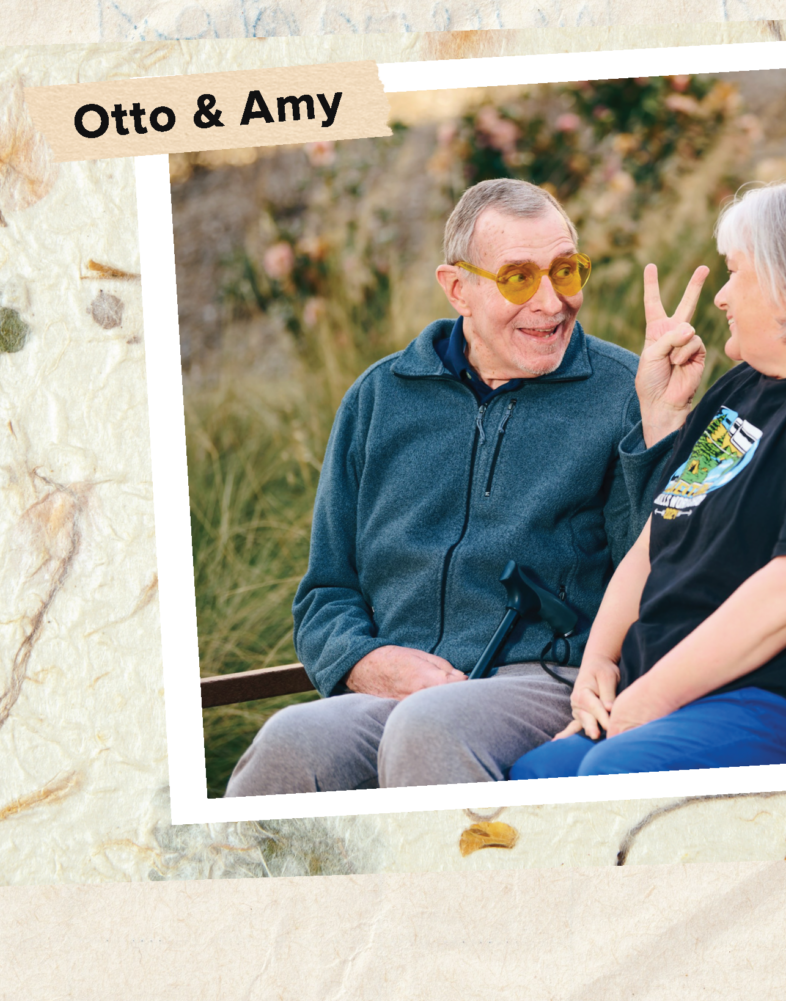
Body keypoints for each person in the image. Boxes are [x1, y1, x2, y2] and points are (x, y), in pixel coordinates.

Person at [511, 178, 786, 777]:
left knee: (607, 781)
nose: (721, 297)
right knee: (537, 777)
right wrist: (599, 660)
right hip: (686, 695)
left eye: (735, 274)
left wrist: (651, 697)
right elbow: (656, 538)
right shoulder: (740, 391)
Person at [225, 179, 646, 796]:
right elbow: (326, 592)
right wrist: (367, 663)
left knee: (429, 727)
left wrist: (661, 432)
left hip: (552, 681)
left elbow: (660, 560)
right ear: (458, 289)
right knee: (290, 741)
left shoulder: (629, 391)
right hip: (400, 692)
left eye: (565, 271)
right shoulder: (378, 398)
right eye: (519, 279)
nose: (553, 302)